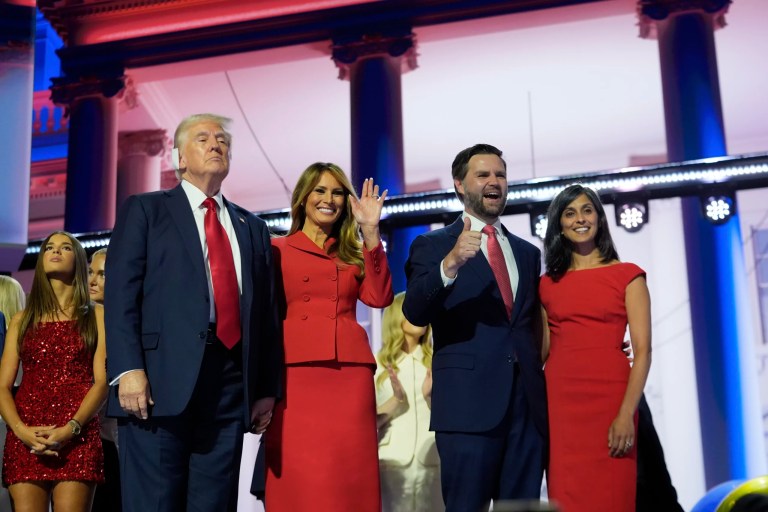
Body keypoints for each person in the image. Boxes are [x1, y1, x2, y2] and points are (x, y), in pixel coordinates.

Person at [105, 113, 281, 512]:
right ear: (178, 158)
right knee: (154, 502)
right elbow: (121, 295)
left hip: (230, 386)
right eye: (203, 138)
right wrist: (128, 369)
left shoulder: (251, 226)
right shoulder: (146, 210)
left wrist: (265, 388)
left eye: (223, 140)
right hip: (156, 383)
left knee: (214, 504)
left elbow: (265, 314)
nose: (216, 144)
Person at [403, 144, 547, 511]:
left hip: (526, 410)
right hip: (467, 409)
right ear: (459, 185)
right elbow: (415, 312)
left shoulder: (528, 253)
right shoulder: (433, 245)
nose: (494, 181)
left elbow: (531, 326)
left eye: (500, 174)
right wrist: (449, 265)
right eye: (483, 175)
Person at [263, 162, 393, 511]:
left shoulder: (354, 251)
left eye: (337, 192)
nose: (329, 199)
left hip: (348, 377)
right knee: (300, 474)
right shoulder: (276, 249)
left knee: (348, 472)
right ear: (303, 198)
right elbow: (264, 320)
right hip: (295, 377)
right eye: (320, 190)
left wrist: (370, 231)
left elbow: (379, 298)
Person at [539, 184, 651, 512]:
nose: (580, 219)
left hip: (611, 402)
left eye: (587, 210)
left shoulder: (628, 276)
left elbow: (643, 351)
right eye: (569, 213)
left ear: (599, 219)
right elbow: (541, 350)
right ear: (558, 224)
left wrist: (626, 415)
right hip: (561, 409)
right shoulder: (546, 284)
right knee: (567, 498)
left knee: (613, 496)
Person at [0, 231, 107, 511]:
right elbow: (2, 387)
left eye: (65, 247)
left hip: (77, 435)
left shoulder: (96, 316)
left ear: (79, 260)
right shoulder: (21, 320)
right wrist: (21, 432)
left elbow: (101, 382)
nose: (54, 251)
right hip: (26, 436)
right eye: (49, 247)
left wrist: (71, 429)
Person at [375, 291, 443, 512]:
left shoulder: (436, 360)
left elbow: (451, 415)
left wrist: (430, 397)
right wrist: (396, 399)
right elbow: (368, 421)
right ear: (398, 316)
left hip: (432, 458)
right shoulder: (378, 365)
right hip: (392, 461)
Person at [87, 248, 122, 512]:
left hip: (118, 438)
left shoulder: (124, 327)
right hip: (87, 437)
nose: (92, 281)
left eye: (102, 274)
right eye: (90, 272)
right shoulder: (82, 325)